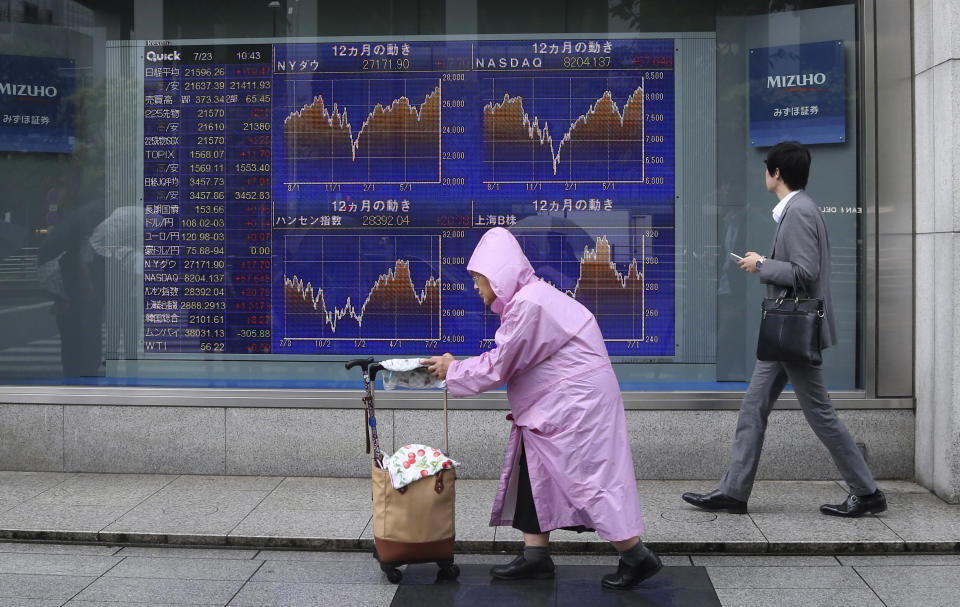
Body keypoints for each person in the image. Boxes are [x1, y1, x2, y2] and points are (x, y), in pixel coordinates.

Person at [422, 227, 661, 589]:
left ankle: (636, 555)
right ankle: (536, 557)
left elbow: (500, 364)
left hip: (576, 406)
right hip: (566, 401)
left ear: (498, 275)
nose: (475, 287)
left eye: (478, 278)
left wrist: (454, 369)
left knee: (588, 479)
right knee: (534, 470)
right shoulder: (531, 299)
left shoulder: (528, 306)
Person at [682, 141, 887, 518]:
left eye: (766, 169)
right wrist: (765, 263)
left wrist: (762, 264)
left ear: (776, 174)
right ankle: (733, 491)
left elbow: (805, 274)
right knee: (753, 407)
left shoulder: (799, 213)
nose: (764, 174)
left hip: (793, 332)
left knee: (820, 413)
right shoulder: (797, 209)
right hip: (783, 333)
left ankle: (867, 491)